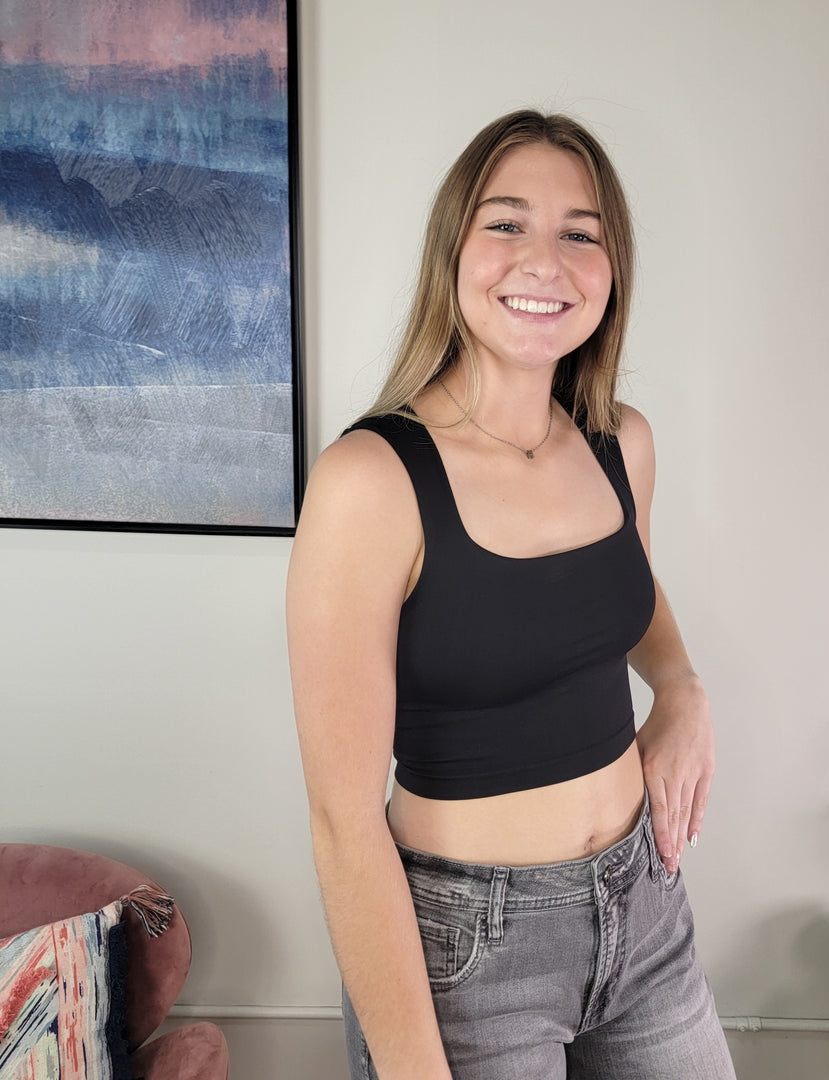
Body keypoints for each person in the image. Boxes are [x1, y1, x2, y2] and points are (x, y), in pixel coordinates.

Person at [286, 110, 737, 1080]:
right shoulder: (371, 481)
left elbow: (627, 592)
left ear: (611, 272)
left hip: (644, 906)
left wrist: (682, 684)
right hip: (465, 948)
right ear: (453, 251)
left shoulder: (622, 443)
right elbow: (342, 820)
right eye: (505, 224)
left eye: (581, 233)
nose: (546, 260)